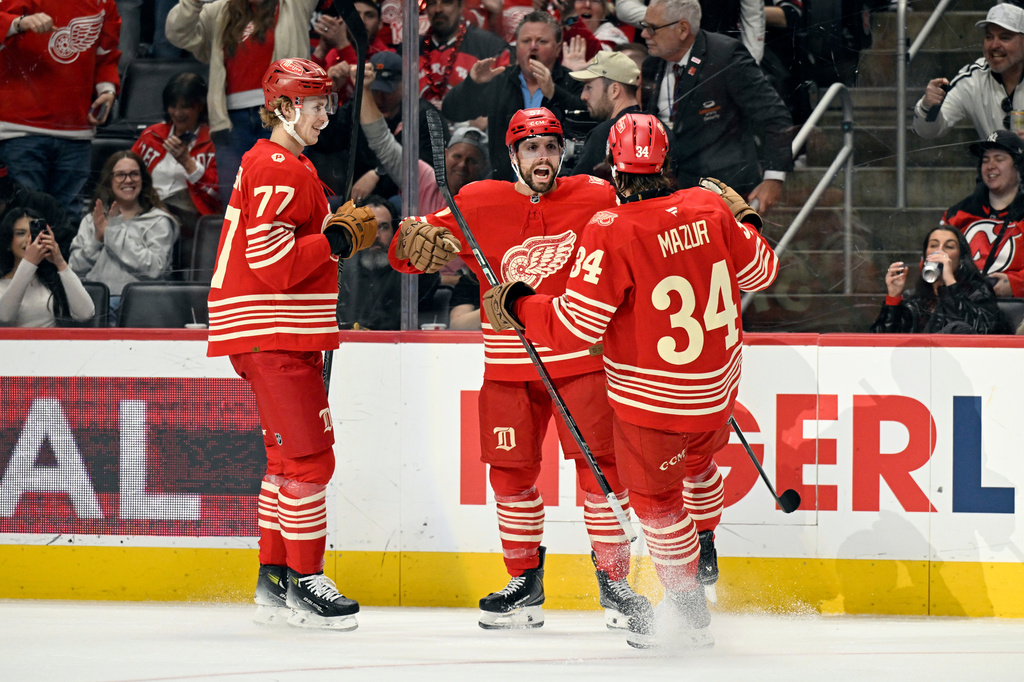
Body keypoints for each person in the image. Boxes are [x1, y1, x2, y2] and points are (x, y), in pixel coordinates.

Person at [480, 112, 779, 648]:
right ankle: (705, 544)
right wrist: (748, 219)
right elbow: (761, 271)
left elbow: (576, 326)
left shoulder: (612, 227)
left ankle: (688, 614)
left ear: (615, 174)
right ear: (666, 161)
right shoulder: (710, 208)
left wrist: (522, 303)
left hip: (652, 403)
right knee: (700, 465)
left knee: (659, 508)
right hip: (717, 393)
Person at [389, 107, 650, 631]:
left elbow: (643, 228)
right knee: (511, 478)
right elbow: (405, 255)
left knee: (602, 474)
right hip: (509, 365)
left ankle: (616, 585)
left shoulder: (598, 196)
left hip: (580, 362)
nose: (543, 158)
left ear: (564, 152)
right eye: (532, 148)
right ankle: (524, 581)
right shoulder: (477, 201)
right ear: (513, 155)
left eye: (551, 147)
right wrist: (407, 243)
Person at [205, 58, 378, 630]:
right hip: (273, 332)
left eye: (326, 105)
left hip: (270, 333)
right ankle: (307, 581)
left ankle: (274, 579)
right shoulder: (279, 167)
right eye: (315, 105)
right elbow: (275, 264)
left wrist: (331, 237)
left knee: (285, 462)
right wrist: (333, 241)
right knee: (310, 460)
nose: (324, 117)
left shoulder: (276, 162)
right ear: (284, 108)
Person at [638, 0, 792, 213]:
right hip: (671, 195)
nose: (644, 34)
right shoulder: (651, 64)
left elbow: (774, 115)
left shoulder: (725, 55)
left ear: (683, 29)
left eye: (652, 28)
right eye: (644, 26)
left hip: (725, 192)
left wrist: (774, 179)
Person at [165, 0, 321, 207]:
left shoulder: (293, 5)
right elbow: (177, 32)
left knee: (285, 206)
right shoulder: (220, 10)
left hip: (283, 118)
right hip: (230, 123)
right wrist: (193, 2)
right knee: (237, 209)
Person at [0, 2, 120, 226]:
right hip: (21, 131)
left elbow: (107, 54)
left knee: (68, 221)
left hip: (76, 133)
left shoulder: (104, 3)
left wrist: (107, 89)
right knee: (26, 222)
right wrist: (18, 23)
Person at [442, 12, 588, 182]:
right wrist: (472, 84)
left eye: (542, 41)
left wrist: (555, 94)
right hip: (508, 187)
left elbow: (588, 121)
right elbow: (452, 111)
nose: (533, 46)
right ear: (516, 46)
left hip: (559, 188)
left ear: (557, 48)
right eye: (526, 41)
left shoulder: (572, 81)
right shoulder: (500, 82)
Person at [310, 51, 444, 201]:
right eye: (375, 91)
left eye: (388, 91)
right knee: (325, 206)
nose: (380, 99)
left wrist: (379, 174)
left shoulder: (424, 116)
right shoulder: (357, 109)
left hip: (405, 200)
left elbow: (428, 170)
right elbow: (323, 142)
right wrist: (329, 92)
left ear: (405, 84)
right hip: (357, 200)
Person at [68, 151, 179, 314]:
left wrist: (113, 233)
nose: (128, 180)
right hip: (95, 306)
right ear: (109, 180)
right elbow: (75, 270)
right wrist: (97, 238)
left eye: (134, 174)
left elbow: (155, 269)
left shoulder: (159, 221)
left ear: (143, 179)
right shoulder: (92, 221)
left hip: (141, 307)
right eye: (120, 175)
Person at [131, 72, 222, 243]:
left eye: (185, 106)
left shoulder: (215, 143)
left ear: (200, 106)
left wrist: (188, 163)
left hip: (187, 218)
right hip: (146, 209)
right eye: (173, 106)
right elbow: (127, 169)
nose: (178, 113)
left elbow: (218, 197)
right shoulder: (151, 135)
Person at [913, 3, 1024, 142]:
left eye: (1005, 37)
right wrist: (927, 106)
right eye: (989, 37)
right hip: (994, 163)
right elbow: (928, 131)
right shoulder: (973, 78)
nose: (994, 45)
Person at [871, 226, 1005, 335]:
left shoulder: (978, 291)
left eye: (949, 247)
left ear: (961, 258)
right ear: (925, 255)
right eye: (933, 245)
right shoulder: (914, 299)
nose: (939, 251)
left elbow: (975, 332)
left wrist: (950, 283)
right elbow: (880, 344)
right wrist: (893, 298)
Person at [941, 131, 1024, 298]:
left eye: (999, 159)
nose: (990, 165)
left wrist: (1017, 284)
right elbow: (931, 260)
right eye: (985, 160)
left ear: (1019, 166)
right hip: (964, 306)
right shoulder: (958, 213)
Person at [337, 195, 440, 329]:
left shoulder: (410, 274)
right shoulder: (342, 274)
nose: (376, 235)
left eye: (383, 227)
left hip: (398, 346)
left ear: (395, 231)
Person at [0, 208, 94, 327]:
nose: (29, 240)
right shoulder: (1, 284)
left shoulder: (53, 279)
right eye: (20, 233)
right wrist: (29, 263)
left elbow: (86, 314)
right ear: (8, 242)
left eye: (34, 233)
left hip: (52, 344)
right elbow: (4, 317)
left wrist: (60, 262)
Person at [565, 51, 643, 179]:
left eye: (589, 87)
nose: (583, 96)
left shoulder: (604, 133)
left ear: (614, 90)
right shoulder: (661, 130)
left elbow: (576, 189)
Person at [420, 0, 509, 109]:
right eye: (432, 3)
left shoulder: (490, 46)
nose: (438, 9)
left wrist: (487, 116)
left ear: (460, 7)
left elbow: (507, 97)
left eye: (446, 2)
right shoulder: (410, 50)